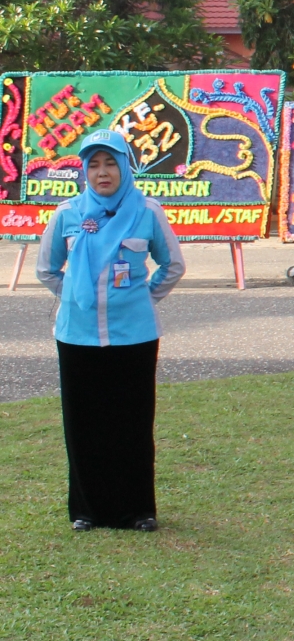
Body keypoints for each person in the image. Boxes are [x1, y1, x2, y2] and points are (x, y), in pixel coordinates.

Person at [37, 130, 185, 532]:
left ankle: (138, 511)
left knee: (132, 423)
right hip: (77, 334)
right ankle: (87, 511)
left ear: (124, 166)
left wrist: (144, 298)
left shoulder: (147, 211)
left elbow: (172, 264)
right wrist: (77, 296)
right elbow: (46, 269)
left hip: (134, 335)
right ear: (84, 171)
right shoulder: (67, 213)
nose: (102, 172)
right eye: (94, 165)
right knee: (83, 424)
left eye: (110, 163)